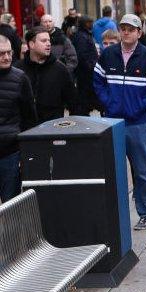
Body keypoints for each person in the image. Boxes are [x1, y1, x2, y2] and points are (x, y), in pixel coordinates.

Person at [94, 14, 146, 230]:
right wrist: (108, 103)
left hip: (137, 123)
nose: (126, 32)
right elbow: (98, 80)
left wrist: (141, 106)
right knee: (112, 170)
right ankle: (115, 214)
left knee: (142, 170)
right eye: (123, 28)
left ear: (139, 32)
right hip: (111, 122)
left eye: (131, 29)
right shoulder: (108, 54)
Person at [0, 35, 36, 202]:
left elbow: (29, 118)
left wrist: (26, 153)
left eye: (9, 53)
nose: (6, 57)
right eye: (1, 54)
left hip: (11, 153)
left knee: (11, 206)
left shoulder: (20, 78)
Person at [16, 27, 76, 124]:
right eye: (44, 41)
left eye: (49, 40)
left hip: (52, 129)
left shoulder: (60, 69)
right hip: (24, 130)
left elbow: (73, 102)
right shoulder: (18, 69)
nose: (48, 44)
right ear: (31, 44)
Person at [71, 16, 99, 114]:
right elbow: (82, 56)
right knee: (84, 100)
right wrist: (92, 67)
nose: (92, 24)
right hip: (85, 74)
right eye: (89, 22)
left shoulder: (86, 34)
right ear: (85, 24)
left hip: (88, 73)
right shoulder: (81, 36)